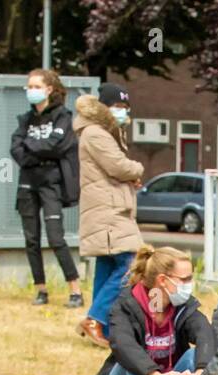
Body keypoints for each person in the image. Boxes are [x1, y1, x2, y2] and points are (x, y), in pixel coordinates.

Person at [86, 245, 215, 375]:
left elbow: (205, 333)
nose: (189, 284)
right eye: (185, 279)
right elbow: (123, 346)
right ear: (163, 280)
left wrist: (199, 372)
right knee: (129, 363)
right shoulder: (126, 305)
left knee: (196, 354)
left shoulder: (181, 306)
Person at [74, 82, 142, 348]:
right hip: (109, 209)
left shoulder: (99, 132)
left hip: (108, 205)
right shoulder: (97, 133)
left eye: (125, 107)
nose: (122, 112)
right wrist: (137, 169)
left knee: (108, 265)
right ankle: (96, 318)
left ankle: (98, 323)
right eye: (117, 106)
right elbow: (118, 166)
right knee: (130, 262)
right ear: (103, 107)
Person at [10, 69, 82, 308]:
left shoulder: (63, 116)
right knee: (31, 239)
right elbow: (16, 150)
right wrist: (37, 150)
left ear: (49, 89)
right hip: (27, 183)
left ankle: (75, 290)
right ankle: (40, 289)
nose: (31, 91)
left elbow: (58, 146)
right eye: (28, 87)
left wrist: (32, 147)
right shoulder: (25, 119)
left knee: (55, 238)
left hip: (51, 183)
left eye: (35, 86)